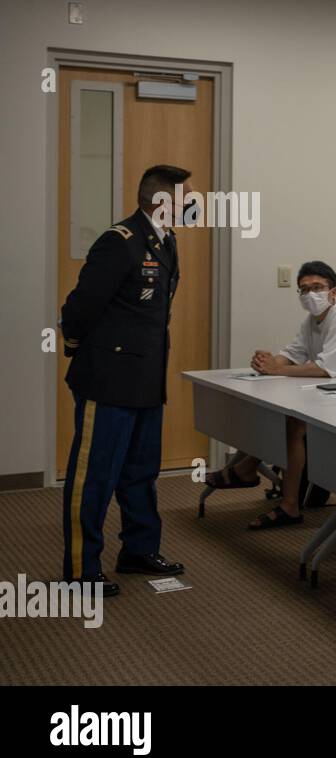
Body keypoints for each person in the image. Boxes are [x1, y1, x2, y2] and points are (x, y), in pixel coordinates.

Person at [60, 164, 192, 595]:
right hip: (109, 379)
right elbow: (80, 306)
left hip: (146, 380)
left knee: (140, 472)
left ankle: (138, 550)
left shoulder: (167, 241)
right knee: (95, 476)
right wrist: (77, 346)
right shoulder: (120, 243)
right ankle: (82, 571)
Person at [205, 260, 336, 530]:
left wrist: (277, 368)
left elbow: (327, 369)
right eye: (304, 289)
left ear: (333, 292)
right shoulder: (311, 320)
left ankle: (287, 504)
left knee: (294, 424)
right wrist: (268, 363)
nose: (311, 294)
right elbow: (292, 353)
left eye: (318, 288)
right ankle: (247, 469)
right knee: (273, 411)